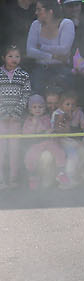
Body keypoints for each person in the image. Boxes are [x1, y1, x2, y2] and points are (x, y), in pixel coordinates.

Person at [26, 0, 75, 87]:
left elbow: (64, 49)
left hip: (61, 69)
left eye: (39, 9)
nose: (36, 12)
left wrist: (42, 47)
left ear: (50, 11)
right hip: (40, 68)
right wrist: (52, 56)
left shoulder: (66, 24)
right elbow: (30, 51)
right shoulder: (36, 24)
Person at [0, 45, 29, 188]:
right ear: (3, 58)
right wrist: (3, 113)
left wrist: (16, 113)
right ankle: (1, 180)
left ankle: (13, 179)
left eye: (17, 56)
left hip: (16, 120)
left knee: (14, 149)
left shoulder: (24, 75)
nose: (14, 59)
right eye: (10, 56)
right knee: (1, 149)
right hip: (1, 119)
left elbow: (26, 95)